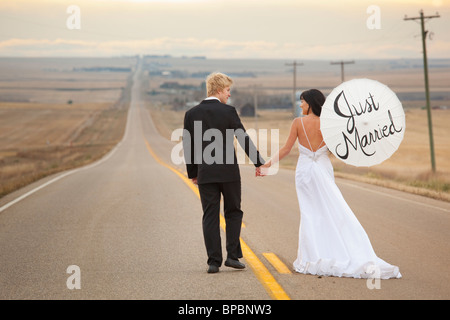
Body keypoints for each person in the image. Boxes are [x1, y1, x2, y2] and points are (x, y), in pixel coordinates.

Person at [258, 89, 401, 279]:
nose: (300, 105)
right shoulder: (329, 124)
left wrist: (266, 165)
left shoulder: (298, 123)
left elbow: (286, 149)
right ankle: (338, 250)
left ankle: (312, 257)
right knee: (331, 209)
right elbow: (337, 151)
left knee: (310, 213)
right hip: (323, 168)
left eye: (302, 102)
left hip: (305, 171)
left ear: (310, 103)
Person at [183, 72, 265, 274]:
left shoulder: (191, 114)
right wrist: (258, 162)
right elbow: (243, 137)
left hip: (206, 173)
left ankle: (213, 262)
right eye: (228, 90)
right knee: (233, 212)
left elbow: (188, 147)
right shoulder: (228, 112)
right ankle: (233, 257)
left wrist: (193, 172)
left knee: (210, 215)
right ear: (219, 90)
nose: (229, 95)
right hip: (228, 173)